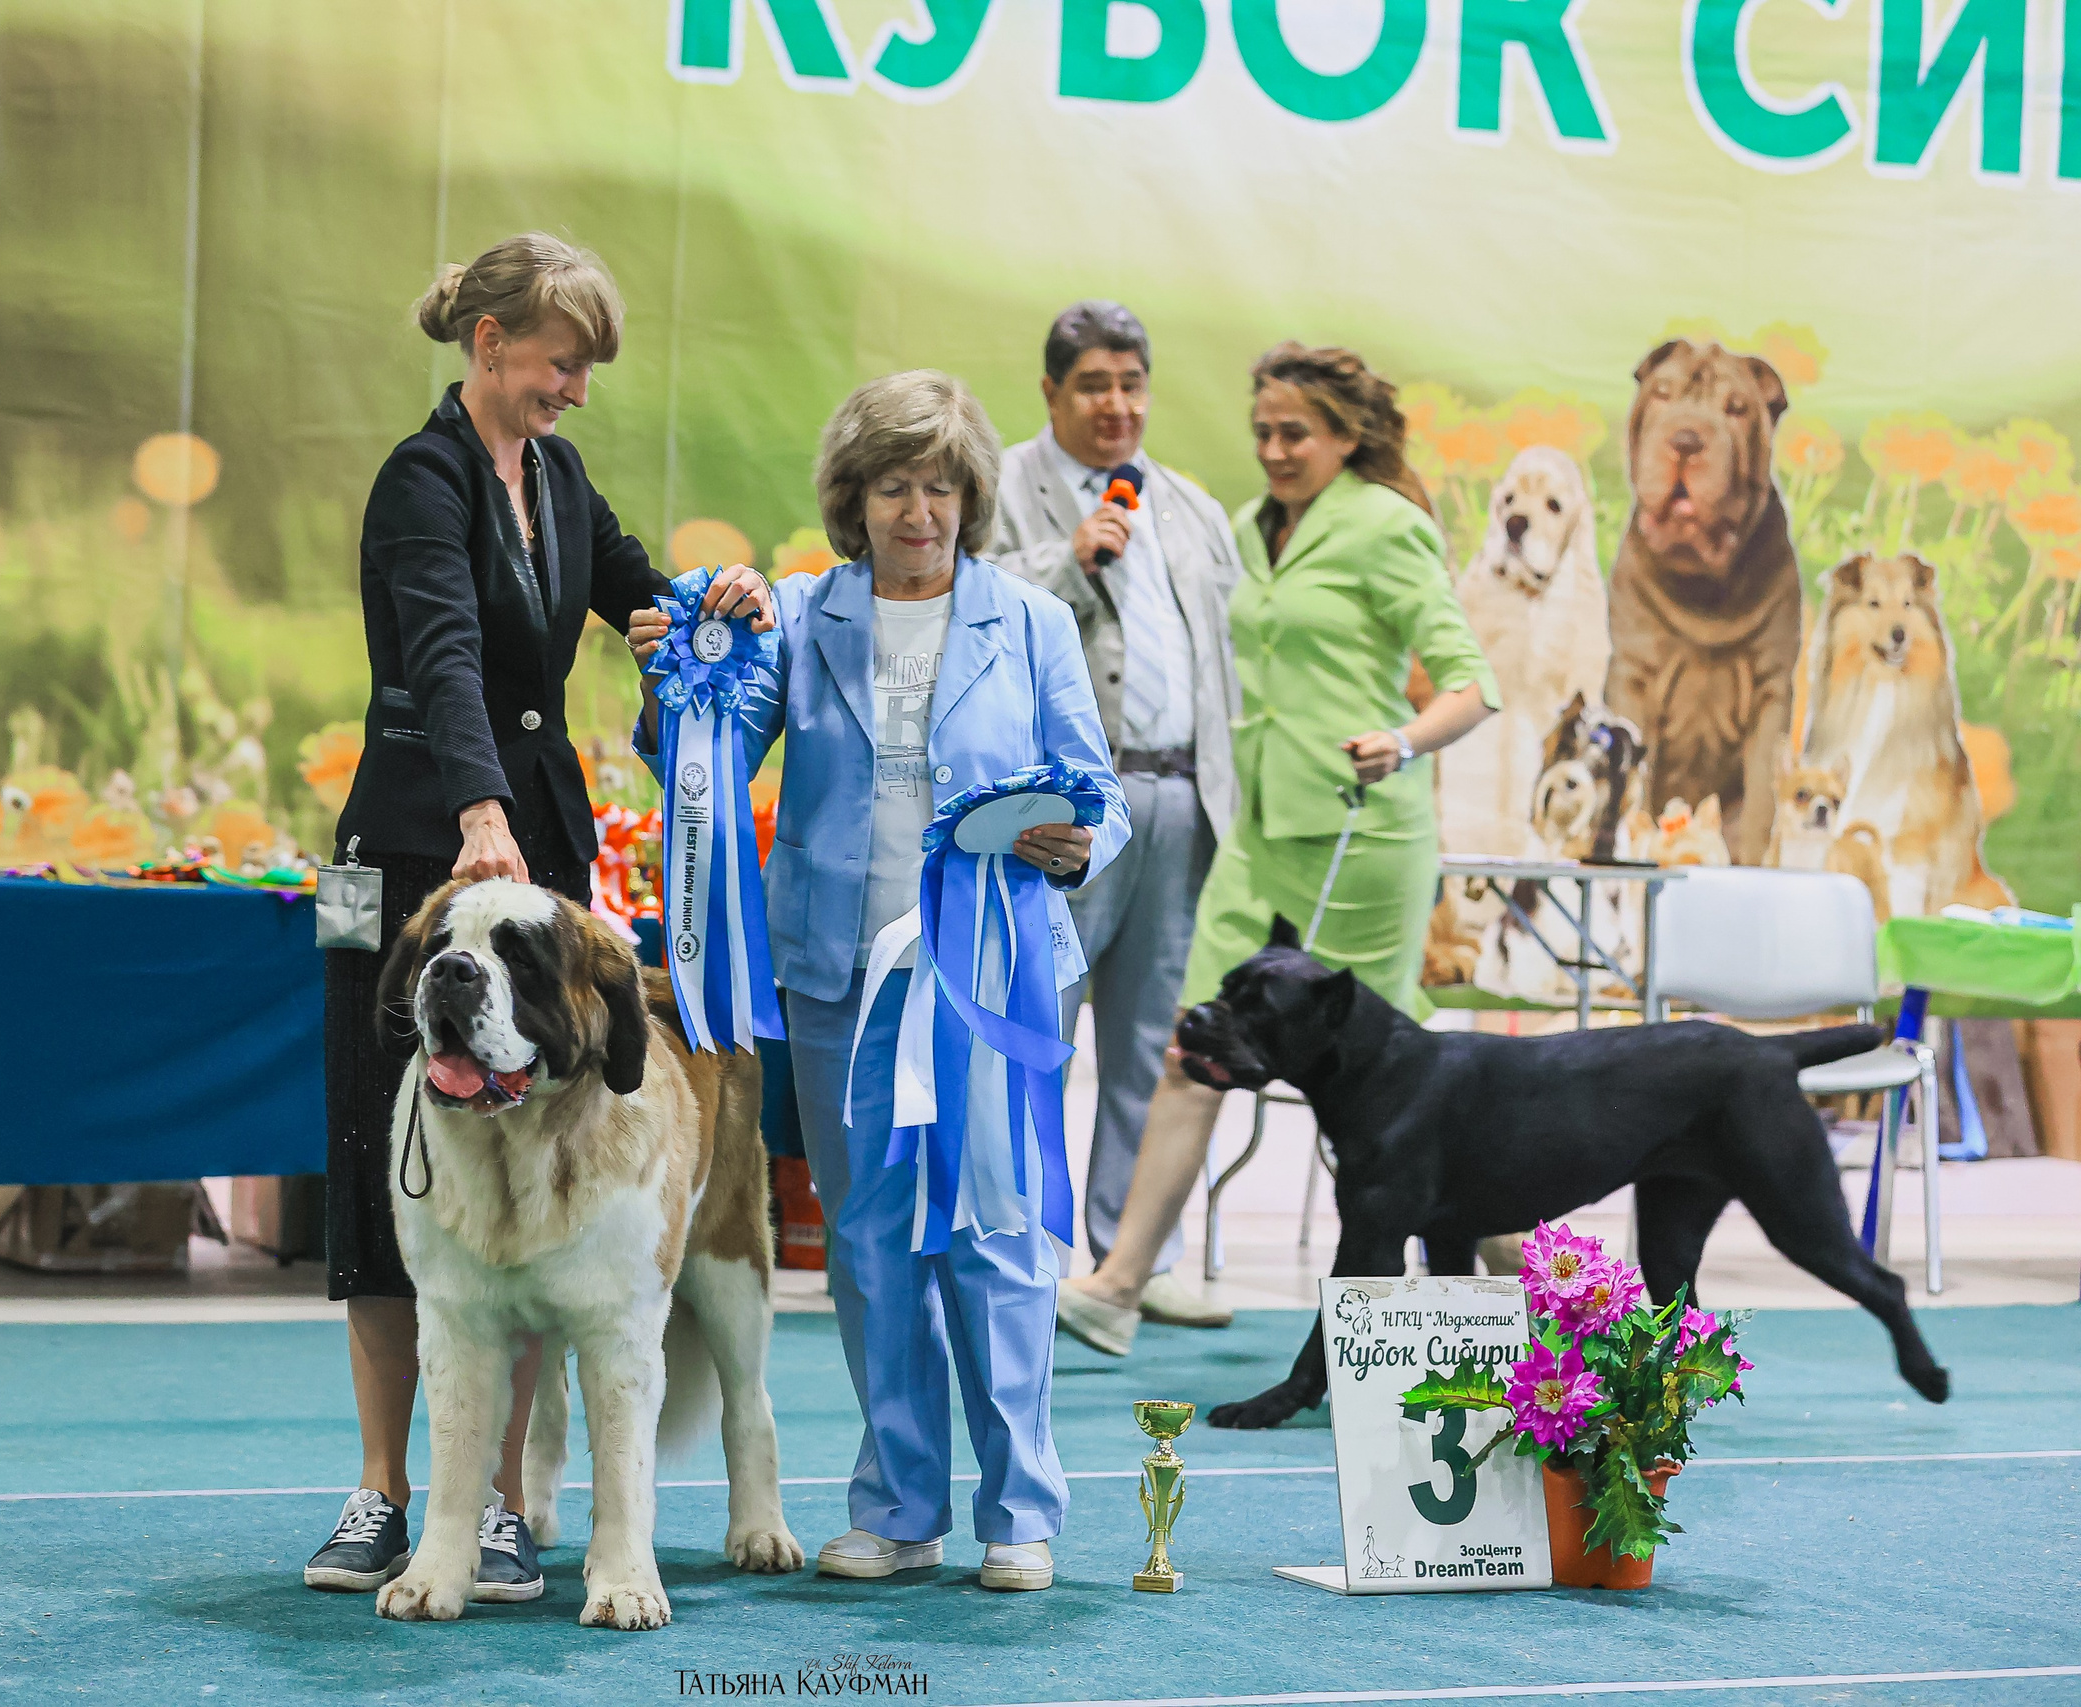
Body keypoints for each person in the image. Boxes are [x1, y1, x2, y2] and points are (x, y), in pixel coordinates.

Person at [310, 232, 771, 1597]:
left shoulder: (556, 475)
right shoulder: (423, 475)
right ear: (492, 341)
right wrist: (473, 809)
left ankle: (507, 1505)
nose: (574, 389)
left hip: (540, 855)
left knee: (535, 1174)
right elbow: (443, 649)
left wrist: (715, 604)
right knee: (396, 1180)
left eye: (584, 372)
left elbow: (634, 591)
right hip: (417, 856)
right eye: (562, 362)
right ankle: (384, 1489)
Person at [630, 371, 1127, 1592]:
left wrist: (1077, 839)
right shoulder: (799, 617)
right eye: (895, 486)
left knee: (997, 1239)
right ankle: (899, 1509)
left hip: (992, 976)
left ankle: (1021, 1515)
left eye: (941, 485)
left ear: (970, 497)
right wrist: (671, 676)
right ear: (853, 502)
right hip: (838, 980)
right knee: (866, 1246)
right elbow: (708, 748)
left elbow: (1094, 788)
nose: (921, 511)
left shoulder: (1032, 623)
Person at [1054, 341, 1497, 1361]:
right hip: (1259, 841)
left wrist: (1403, 739)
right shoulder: (1252, 531)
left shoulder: (1388, 529)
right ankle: (1116, 1287)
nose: (1274, 450)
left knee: (1396, 1094)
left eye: (1295, 433)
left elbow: (1469, 682)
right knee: (1193, 1052)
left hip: (1361, 837)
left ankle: (1546, 1295)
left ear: (1348, 437)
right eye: (1262, 432)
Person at [991, 301, 1241, 1331]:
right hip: (1065, 809)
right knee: (1035, 1028)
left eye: (1131, 384)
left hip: (1181, 796)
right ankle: (1025, 1249)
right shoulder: (1004, 485)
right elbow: (968, 594)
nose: (1116, 404)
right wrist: (1066, 557)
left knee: (1149, 1038)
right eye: (1093, 385)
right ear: (1052, 391)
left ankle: (1136, 1257)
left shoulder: (1188, 504)